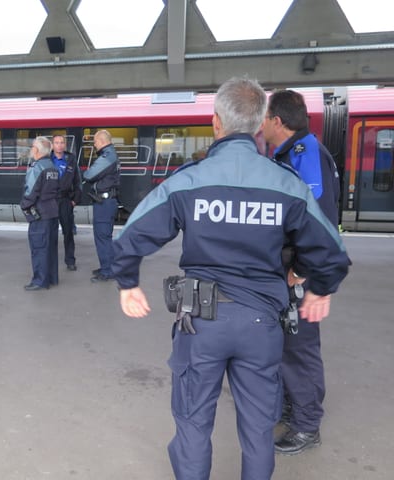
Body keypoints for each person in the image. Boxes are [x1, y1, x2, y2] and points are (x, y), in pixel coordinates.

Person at [111, 77, 350, 480]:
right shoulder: (285, 183)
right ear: (260, 126)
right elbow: (330, 250)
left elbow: (132, 235)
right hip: (262, 325)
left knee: (192, 426)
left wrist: (127, 282)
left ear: (216, 123)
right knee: (258, 431)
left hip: (200, 323)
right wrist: (321, 288)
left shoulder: (190, 179)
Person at [263, 89, 341, 455]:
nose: (260, 126)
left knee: (299, 348)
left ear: (277, 121)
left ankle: (307, 426)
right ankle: (294, 407)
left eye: (264, 119)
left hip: (299, 273)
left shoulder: (304, 153)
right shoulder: (288, 153)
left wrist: (303, 270)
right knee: (287, 344)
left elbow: (319, 218)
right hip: (288, 268)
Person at [21, 136, 59, 291]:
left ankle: (39, 281)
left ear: (36, 150)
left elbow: (30, 191)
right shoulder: (52, 167)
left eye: (32, 147)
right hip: (52, 211)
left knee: (39, 248)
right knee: (51, 247)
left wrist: (24, 206)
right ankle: (52, 278)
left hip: (39, 213)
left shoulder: (37, 167)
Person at [83, 130, 120, 282]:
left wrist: (88, 172)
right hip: (106, 202)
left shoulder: (107, 156)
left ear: (102, 141)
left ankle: (108, 271)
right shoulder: (110, 154)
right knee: (103, 237)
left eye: (96, 142)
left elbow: (89, 175)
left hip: (104, 203)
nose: (94, 144)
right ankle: (107, 266)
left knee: (103, 237)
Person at [51, 135, 82, 271]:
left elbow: (77, 181)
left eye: (62, 142)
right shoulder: (46, 159)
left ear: (65, 145)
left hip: (65, 200)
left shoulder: (71, 159)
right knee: (50, 232)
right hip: (50, 201)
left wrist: (75, 200)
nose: (59, 145)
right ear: (52, 145)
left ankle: (70, 260)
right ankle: (50, 260)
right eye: (56, 143)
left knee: (68, 232)